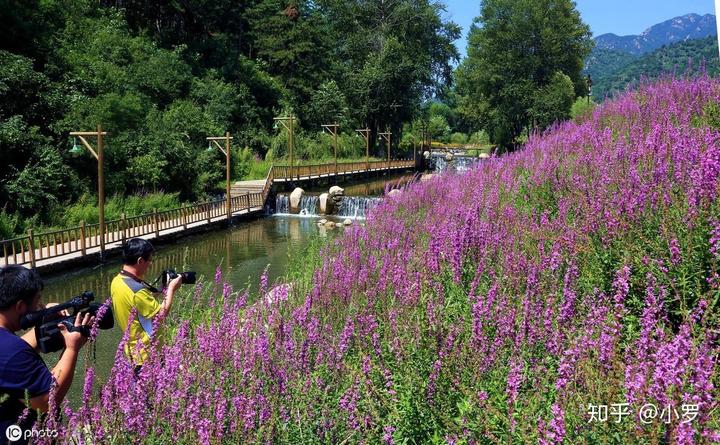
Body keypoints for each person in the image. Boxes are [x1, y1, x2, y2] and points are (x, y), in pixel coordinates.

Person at [0, 265, 94, 444]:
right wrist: (71, 348)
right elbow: (47, 400)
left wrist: (45, 318)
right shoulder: (12, 352)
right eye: (37, 302)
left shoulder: (7, 344)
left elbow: (12, 357)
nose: (39, 307)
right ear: (20, 305)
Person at [110, 238, 181, 370]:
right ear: (140, 261)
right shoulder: (138, 291)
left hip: (132, 351)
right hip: (147, 355)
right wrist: (171, 288)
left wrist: (160, 289)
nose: (150, 264)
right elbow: (162, 313)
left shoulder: (117, 281)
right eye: (149, 260)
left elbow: (136, 304)